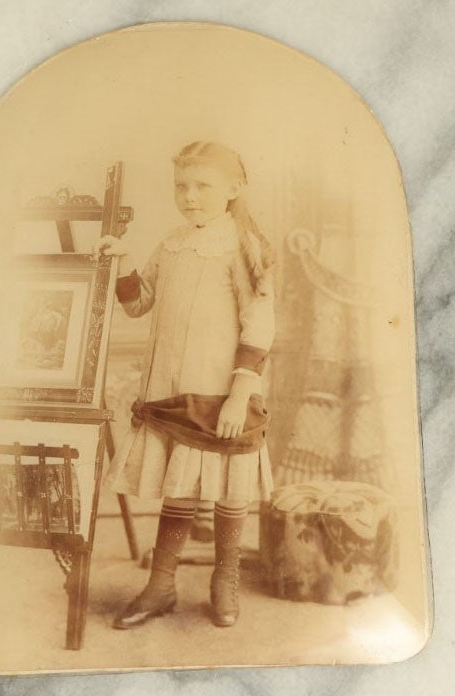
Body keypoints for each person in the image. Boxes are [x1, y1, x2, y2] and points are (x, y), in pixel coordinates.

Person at [95, 141, 276, 628]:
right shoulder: (172, 244)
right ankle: (161, 587)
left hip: (222, 395)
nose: (190, 196)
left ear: (234, 188)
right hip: (174, 393)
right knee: (180, 490)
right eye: (181, 186)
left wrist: (239, 395)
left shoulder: (244, 246)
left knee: (228, 490)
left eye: (203, 186)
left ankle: (225, 580)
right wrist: (124, 263)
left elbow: (259, 325)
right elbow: (139, 304)